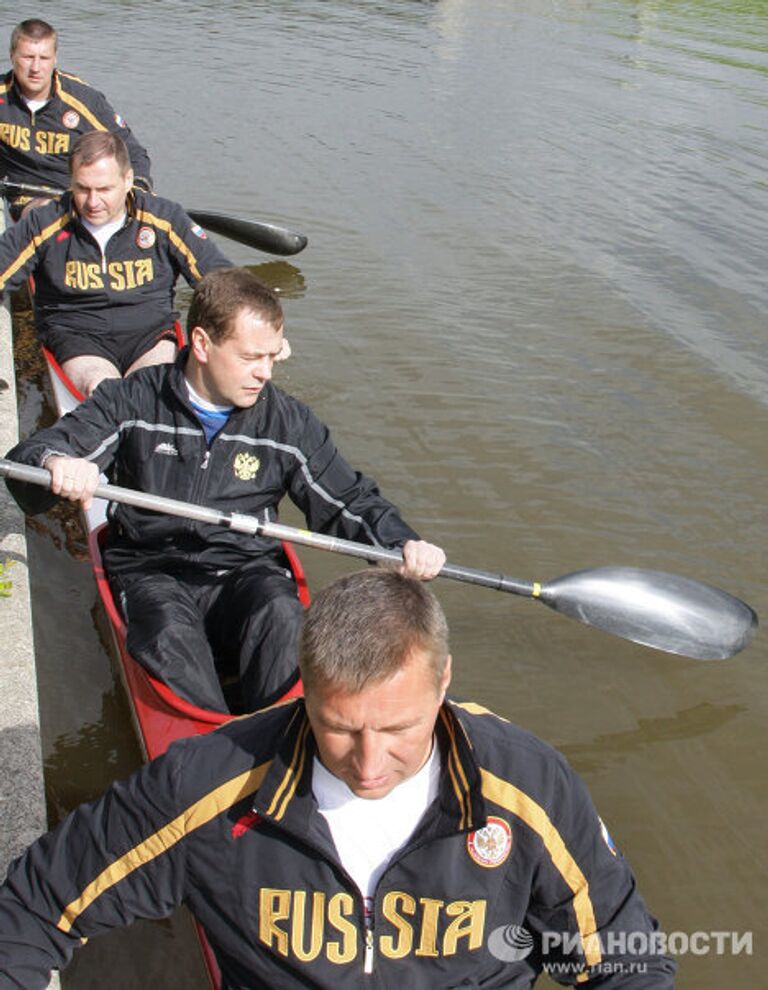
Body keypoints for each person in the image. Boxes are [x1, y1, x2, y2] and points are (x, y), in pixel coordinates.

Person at [0, 568, 676, 988]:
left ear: (444, 682)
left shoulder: (531, 787)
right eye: (340, 729)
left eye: (399, 730)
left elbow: (627, 963)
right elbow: (35, 906)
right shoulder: (209, 784)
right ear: (305, 691)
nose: (370, 766)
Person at [5, 267, 446, 714]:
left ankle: (282, 731)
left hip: (246, 569)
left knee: (282, 616)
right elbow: (34, 458)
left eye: (272, 357)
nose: (265, 374)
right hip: (153, 569)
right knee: (169, 633)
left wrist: (399, 543)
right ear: (201, 343)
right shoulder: (131, 401)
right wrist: (57, 464)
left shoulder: (287, 424)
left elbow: (347, 501)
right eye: (251, 357)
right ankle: (208, 745)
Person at [0, 130, 232, 396]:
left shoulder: (165, 219)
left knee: (153, 388)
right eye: (82, 188)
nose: (92, 202)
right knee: (103, 388)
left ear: (128, 180)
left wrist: (266, 332)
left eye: (104, 189)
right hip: (78, 337)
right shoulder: (44, 222)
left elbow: (222, 281)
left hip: (149, 338)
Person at [0, 18, 152, 217]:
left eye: (44, 58)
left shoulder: (84, 99)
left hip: (80, 197)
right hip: (22, 199)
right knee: (44, 213)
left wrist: (137, 191)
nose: (36, 68)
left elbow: (132, 152)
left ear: (55, 58)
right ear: (12, 56)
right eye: (27, 57)